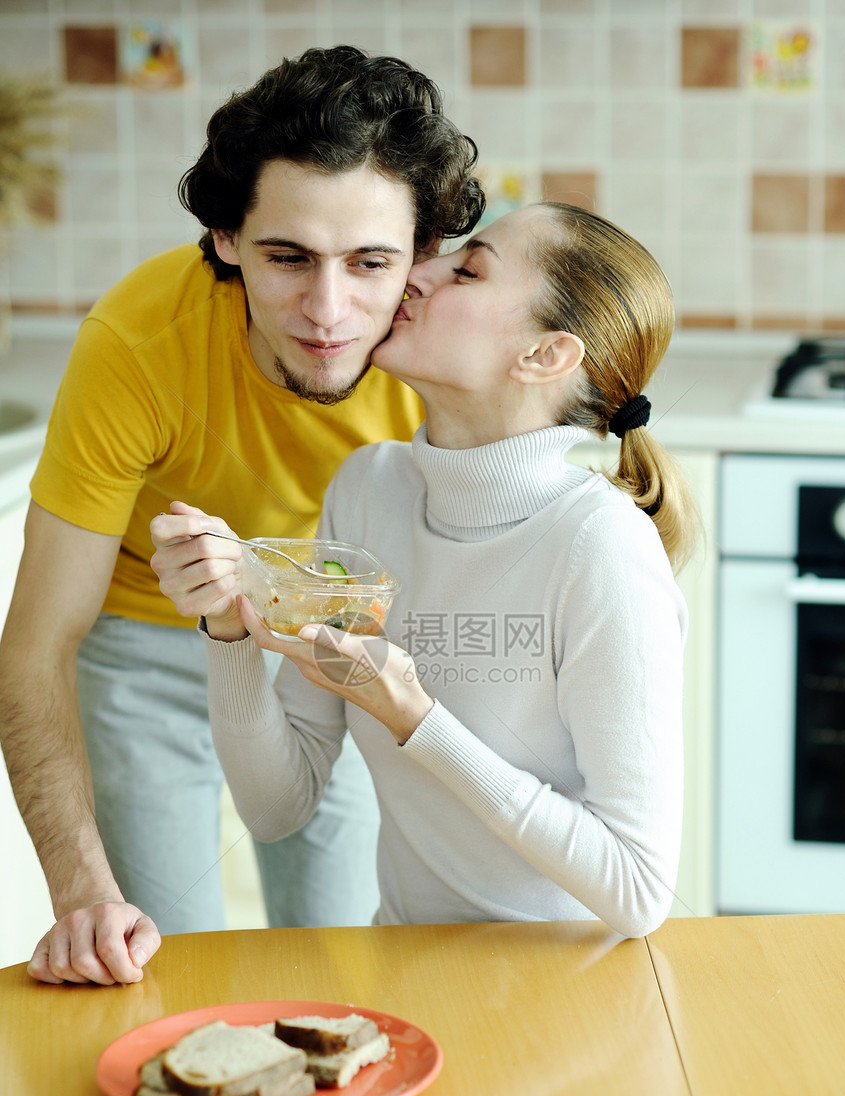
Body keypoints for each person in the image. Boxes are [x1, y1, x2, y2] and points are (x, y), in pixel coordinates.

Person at [0, 45, 484, 986]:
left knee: (341, 963)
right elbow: (34, 644)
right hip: (146, 645)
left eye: (370, 262)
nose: (329, 311)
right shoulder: (137, 346)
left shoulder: (437, 363)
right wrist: (82, 894)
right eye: (288, 257)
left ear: (421, 256)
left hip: (326, 643)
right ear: (226, 239)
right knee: (161, 968)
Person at [151, 202, 700, 938]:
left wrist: (416, 718)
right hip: (407, 969)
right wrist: (229, 626)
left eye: (467, 270)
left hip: (569, 991)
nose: (416, 271)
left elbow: (638, 891)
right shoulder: (370, 488)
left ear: (545, 355)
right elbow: (276, 806)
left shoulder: (601, 548)